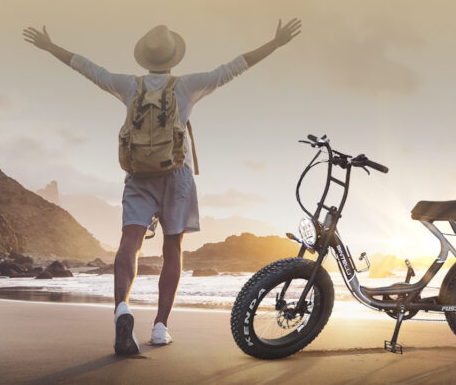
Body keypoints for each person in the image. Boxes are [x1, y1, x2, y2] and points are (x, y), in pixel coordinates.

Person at [23, 19, 301, 356]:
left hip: (139, 175)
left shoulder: (128, 85)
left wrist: (51, 47)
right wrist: (274, 44)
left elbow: (89, 69)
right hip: (176, 176)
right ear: (172, 58)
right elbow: (233, 68)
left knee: (130, 243)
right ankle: (159, 327)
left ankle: (123, 309)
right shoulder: (187, 86)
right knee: (173, 248)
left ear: (145, 58)